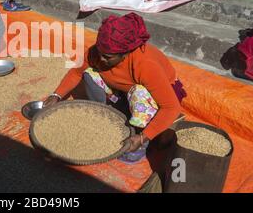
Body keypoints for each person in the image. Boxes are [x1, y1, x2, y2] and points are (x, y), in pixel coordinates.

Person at [43, 13, 187, 163]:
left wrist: (144, 137)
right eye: (100, 53)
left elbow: (171, 107)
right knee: (90, 73)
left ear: (125, 54)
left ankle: (140, 138)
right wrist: (56, 95)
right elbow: (76, 72)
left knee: (139, 94)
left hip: (154, 97)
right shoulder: (97, 53)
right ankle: (107, 113)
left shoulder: (145, 64)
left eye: (108, 57)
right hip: (125, 91)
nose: (101, 59)